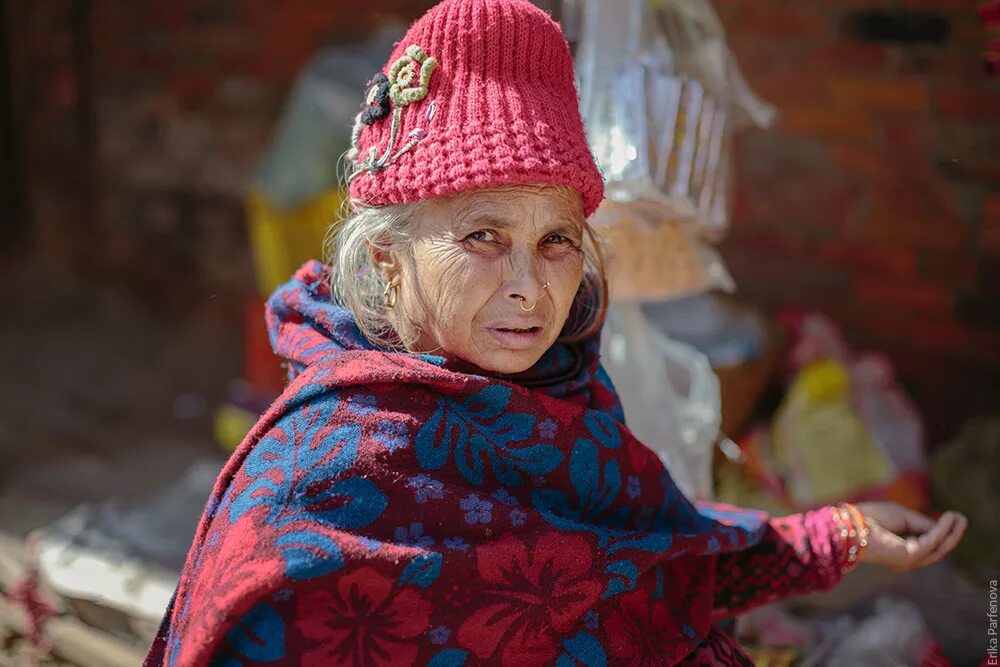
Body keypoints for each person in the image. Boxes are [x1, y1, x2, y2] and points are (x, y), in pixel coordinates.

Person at [145, 1, 967, 665]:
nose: (529, 287)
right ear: (389, 260)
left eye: (557, 241)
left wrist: (841, 533)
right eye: (482, 236)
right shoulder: (323, 479)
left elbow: (649, 558)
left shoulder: (563, 397)